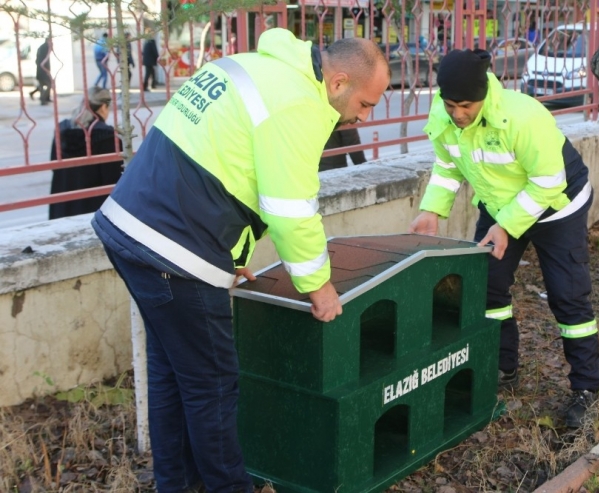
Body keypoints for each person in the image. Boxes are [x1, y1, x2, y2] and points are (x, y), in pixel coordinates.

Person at [91, 28, 389, 493]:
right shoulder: (300, 105)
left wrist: (228, 254)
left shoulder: (258, 65)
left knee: (173, 373)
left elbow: (230, 163)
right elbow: (290, 209)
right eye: (366, 103)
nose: (365, 117)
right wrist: (320, 287)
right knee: (212, 385)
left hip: (130, 224)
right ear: (339, 81)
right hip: (174, 248)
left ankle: (176, 484)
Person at [409, 49, 599, 428]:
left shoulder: (523, 115)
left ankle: (586, 390)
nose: (457, 114)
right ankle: (503, 368)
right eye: (450, 105)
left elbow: (549, 181)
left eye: (466, 105)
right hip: (500, 206)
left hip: (558, 204)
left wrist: (508, 225)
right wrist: (433, 209)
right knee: (488, 289)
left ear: (483, 95)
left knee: (568, 295)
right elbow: (449, 165)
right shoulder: (442, 115)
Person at [49, 87, 122, 220]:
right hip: (92, 211)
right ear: (104, 107)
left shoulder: (62, 129)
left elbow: (54, 166)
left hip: (62, 208)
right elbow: (113, 181)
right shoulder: (108, 136)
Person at [30, 37, 52, 105]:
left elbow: (37, 60)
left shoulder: (42, 47)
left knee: (42, 85)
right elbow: (44, 60)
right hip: (43, 70)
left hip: (41, 69)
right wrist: (47, 70)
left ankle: (45, 98)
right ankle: (43, 98)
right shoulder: (45, 48)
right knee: (49, 84)